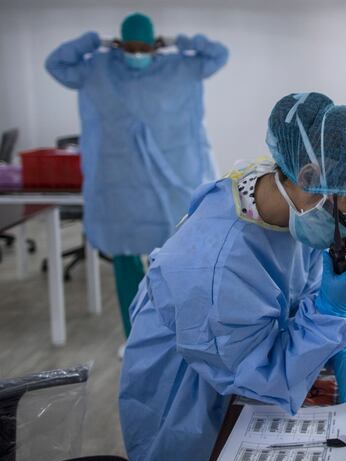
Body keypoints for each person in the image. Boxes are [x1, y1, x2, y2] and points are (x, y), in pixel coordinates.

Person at [118, 92, 346, 461]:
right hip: (191, 405)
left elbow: (300, 285)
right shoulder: (217, 263)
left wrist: (338, 346)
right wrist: (328, 309)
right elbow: (259, 372)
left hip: (240, 371)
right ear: (308, 175)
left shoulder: (280, 198)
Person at [44, 13, 228, 338]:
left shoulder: (177, 67)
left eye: (144, 47)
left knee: (172, 262)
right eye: (131, 47)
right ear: (119, 43)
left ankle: (174, 333)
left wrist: (177, 42)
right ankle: (135, 336)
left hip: (168, 187)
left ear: (154, 43)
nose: (137, 53)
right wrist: (94, 41)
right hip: (119, 187)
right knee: (126, 261)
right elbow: (56, 64)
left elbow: (217, 54)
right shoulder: (98, 68)